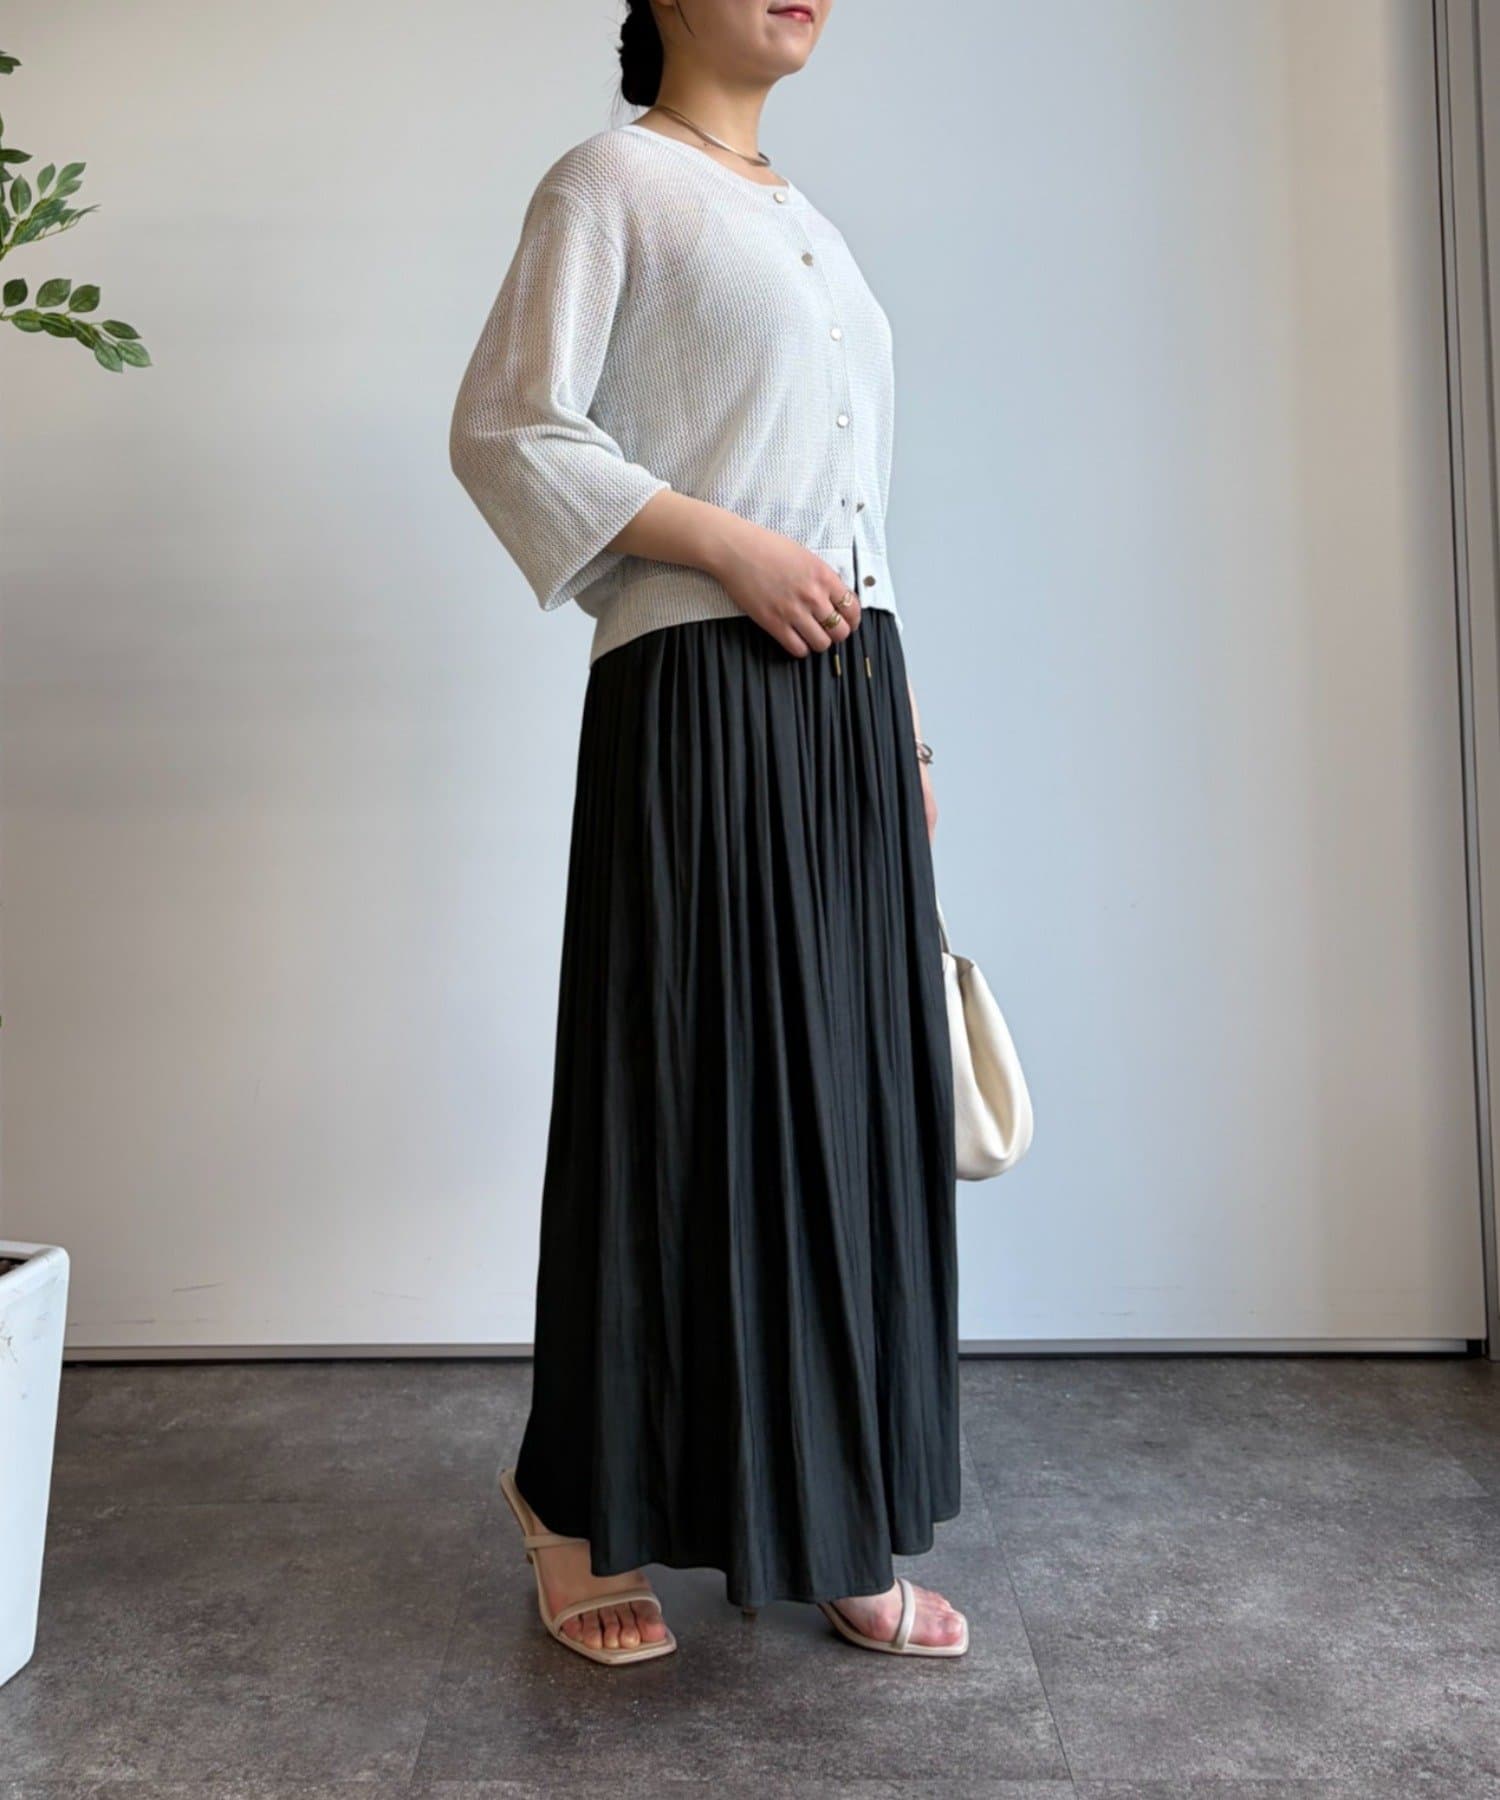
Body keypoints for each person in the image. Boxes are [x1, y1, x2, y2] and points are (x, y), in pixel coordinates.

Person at [448, 0, 965, 1665]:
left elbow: (853, 498)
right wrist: (729, 548)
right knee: (679, 1098)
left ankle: (831, 1514)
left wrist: (901, 724)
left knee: (847, 1113)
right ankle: (573, 1504)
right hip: (698, 692)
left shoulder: (810, 225)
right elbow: (509, 424)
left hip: (845, 698)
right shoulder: (609, 184)